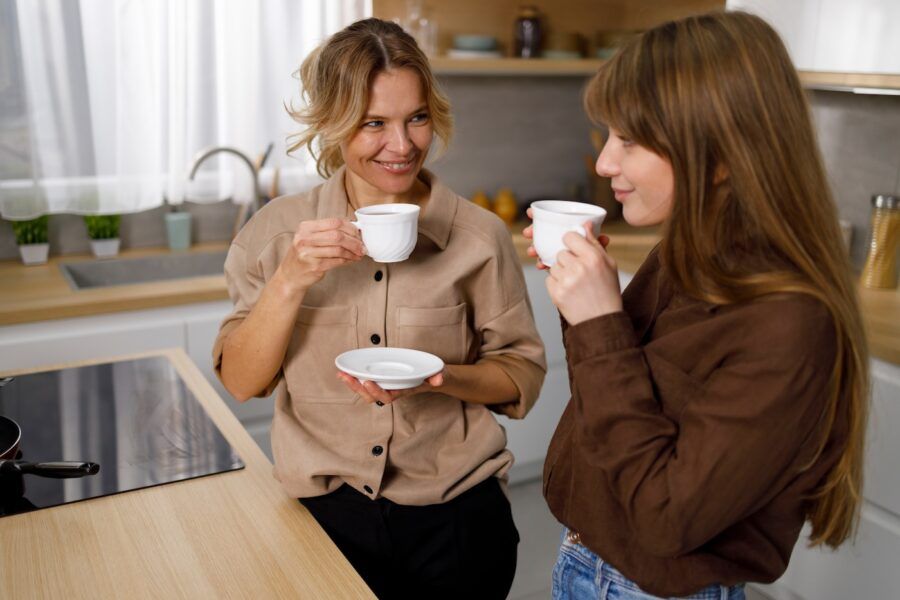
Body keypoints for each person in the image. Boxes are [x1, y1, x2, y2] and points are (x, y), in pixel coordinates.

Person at [524, 11, 869, 600]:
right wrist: (582, 299)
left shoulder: (790, 324)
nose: (605, 164)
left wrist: (600, 321)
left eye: (628, 140)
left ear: (721, 155)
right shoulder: (686, 255)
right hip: (587, 561)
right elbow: (612, 406)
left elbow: (665, 518)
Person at [213, 18, 546, 600]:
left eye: (416, 118)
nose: (403, 145)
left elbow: (521, 377)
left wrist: (442, 379)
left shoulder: (478, 237)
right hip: (321, 517)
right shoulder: (273, 236)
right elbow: (242, 381)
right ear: (333, 125)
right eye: (373, 124)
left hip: (458, 520)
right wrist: (291, 280)